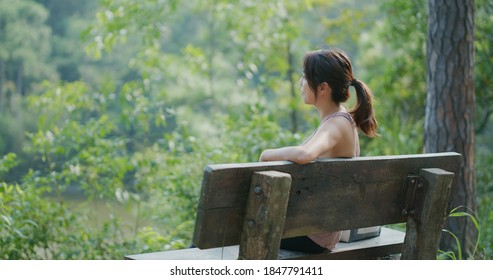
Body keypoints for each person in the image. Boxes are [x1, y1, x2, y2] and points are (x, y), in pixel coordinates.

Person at [259, 49, 378, 253]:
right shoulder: (338, 120)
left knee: (233, 226)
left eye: (305, 77)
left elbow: (305, 154)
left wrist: (266, 154)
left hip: (313, 235)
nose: (301, 83)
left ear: (323, 88)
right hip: (315, 229)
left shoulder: (337, 124)